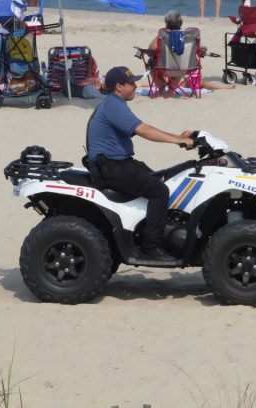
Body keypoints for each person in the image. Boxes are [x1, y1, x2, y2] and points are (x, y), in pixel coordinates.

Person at [85, 66, 194, 261]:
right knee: (159, 191)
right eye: (131, 83)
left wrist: (179, 137)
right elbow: (143, 130)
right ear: (119, 86)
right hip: (112, 168)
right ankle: (151, 247)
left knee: (163, 179)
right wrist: (178, 139)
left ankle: (153, 230)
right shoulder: (113, 104)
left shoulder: (113, 103)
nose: (135, 86)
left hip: (118, 163)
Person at [146, 10, 235, 90]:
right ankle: (225, 87)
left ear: (166, 23)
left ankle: (161, 87)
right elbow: (199, 52)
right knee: (199, 82)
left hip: (165, 70)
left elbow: (150, 50)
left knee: (150, 62)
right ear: (180, 24)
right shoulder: (188, 38)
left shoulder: (162, 37)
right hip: (184, 70)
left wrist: (161, 36)